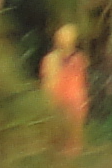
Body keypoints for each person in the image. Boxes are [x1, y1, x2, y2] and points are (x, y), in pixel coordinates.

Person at [39, 22, 92, 156]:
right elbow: (47, 83)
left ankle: (71, 161)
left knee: (73, 141)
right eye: (63, 38)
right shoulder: (50, 59)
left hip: (75, 102)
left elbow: (82, 81)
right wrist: (48, 102)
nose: (66, 41)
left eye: (69, 38)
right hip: (57, 102)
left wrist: (83, 102)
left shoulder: (80, 59)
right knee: (56, 138)